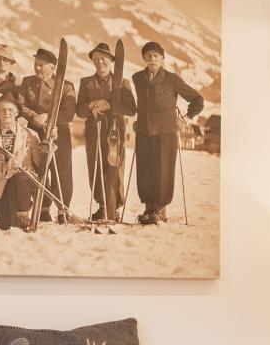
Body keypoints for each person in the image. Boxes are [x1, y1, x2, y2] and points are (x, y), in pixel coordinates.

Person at [130, 39, 204, 223]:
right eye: (148, 55)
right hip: (144, 132)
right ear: (144, 58)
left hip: (166, 133)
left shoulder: (172, 79)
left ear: (162, 58)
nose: (152, 58)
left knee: (163, 171)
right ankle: (148, 208)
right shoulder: (137, 78)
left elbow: (197, 99)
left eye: (156, 55)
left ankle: (160, 209)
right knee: (144, 171)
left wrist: (185, 119)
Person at [76, 42, 135, 223]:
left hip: (115, 131)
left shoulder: (122, 83)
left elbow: (131, 109)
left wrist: (111, 105)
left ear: (111, 61)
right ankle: (102, 206)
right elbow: (79, 111)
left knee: (114, 167)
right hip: (94, 130)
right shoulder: (86, 82)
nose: (100, 62)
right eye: (96, 59)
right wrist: (92, 104)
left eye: (103, 59)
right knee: (95, 166)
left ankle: (114, 206)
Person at [15, 46, 75, 222]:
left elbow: (68, 113)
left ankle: (63, 209)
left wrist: (49, 118)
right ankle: (43, 208)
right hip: (35, 132)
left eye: (41, 64)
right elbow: (21, 106)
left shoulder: (66, 86)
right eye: (36, 63)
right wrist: (35, 117)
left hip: (59, 133)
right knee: (38, 169)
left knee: (61, 171)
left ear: (53, 67)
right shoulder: (27, 82)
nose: (37, 67)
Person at [0, 95, 42, 230]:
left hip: (23, 181)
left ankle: (24, 215)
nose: (6, 112)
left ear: (17, 112)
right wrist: (3, 166)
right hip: (0, 182)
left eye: (10, 110)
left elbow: (40, 163)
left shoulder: (30, 134)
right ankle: (9, 217)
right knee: (7, 224)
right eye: (3, 109)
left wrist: (48, 149)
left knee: (19, 178)